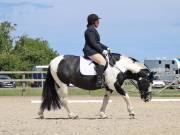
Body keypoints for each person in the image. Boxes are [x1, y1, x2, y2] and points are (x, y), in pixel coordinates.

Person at [83, 14, 111, 87]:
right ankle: (98, 81)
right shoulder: (90, 30)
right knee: (102, 61)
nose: (98, 22)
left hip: (93, 50)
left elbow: (98, 43)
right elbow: (93, 43)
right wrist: (102, 51)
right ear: (93, 22)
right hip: (90, 50)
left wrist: (106, 48)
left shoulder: (92, 29)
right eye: (97, 21)